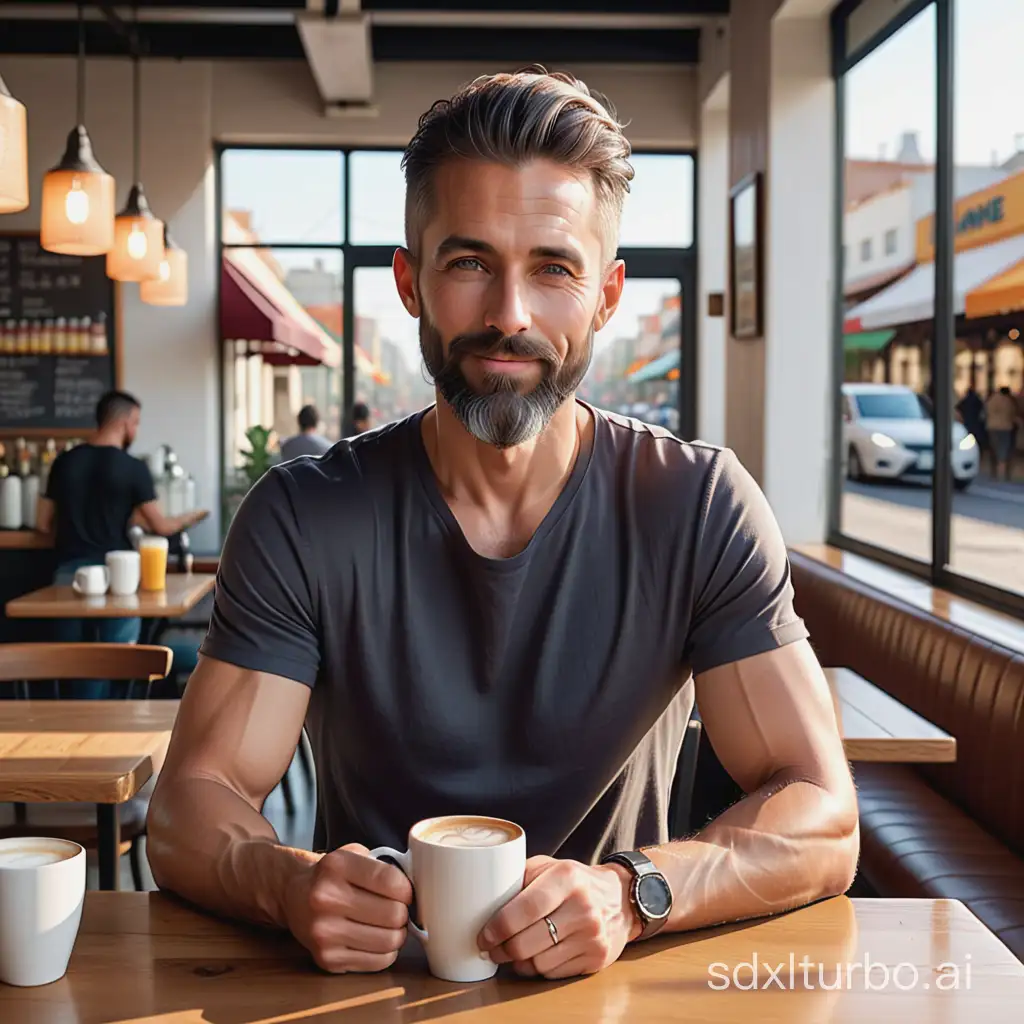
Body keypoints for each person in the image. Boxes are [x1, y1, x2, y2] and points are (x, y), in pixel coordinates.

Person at [148, 68, 858, 981]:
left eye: (554, 269)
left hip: (610, 991)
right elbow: (187, 807)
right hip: (358, 993)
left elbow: (822, 813)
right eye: (470, 262)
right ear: (410, 281)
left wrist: (634, 892)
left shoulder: (698, 504)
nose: (509, 316)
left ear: (607, 294)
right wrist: (284, 884)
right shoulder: (305, 513)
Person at [35, 390, 209, 698]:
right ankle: (108, 723)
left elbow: (42, 523)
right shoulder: (132, 468)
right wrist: (194, 515)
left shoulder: (64, 462)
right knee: (116, 658)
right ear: (126, 422)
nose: (136, 429)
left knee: (70, 660)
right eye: (137, 422)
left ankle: (78, 727)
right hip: (118, 578)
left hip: (67, 577)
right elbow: (161, 525)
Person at [985, 386, 1020, 481]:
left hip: (991, 427)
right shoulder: (1008, 401)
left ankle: (994, 473)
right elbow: (1012, 414)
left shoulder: (991, 400)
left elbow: (986, 411)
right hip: (1005, 427)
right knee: (1004, 449)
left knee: (994, 448)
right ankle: (1002, 473)